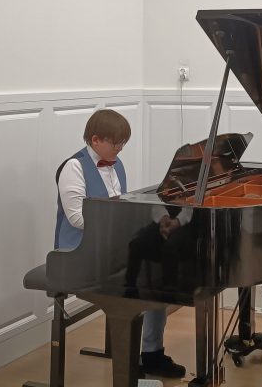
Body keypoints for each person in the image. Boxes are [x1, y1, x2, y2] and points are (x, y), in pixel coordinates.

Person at [56, 108, 186, 379]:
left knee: (158, 274)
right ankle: (128, 369)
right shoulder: (74, 167)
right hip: (78, 253)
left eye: (123, 143)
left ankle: (151, 353)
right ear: (95, 140)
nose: (120, 148)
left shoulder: (116, 164)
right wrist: (121, 223)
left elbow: (121, 206)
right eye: (115, 143)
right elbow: (77, 218)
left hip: (110, 248)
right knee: (140, 281)